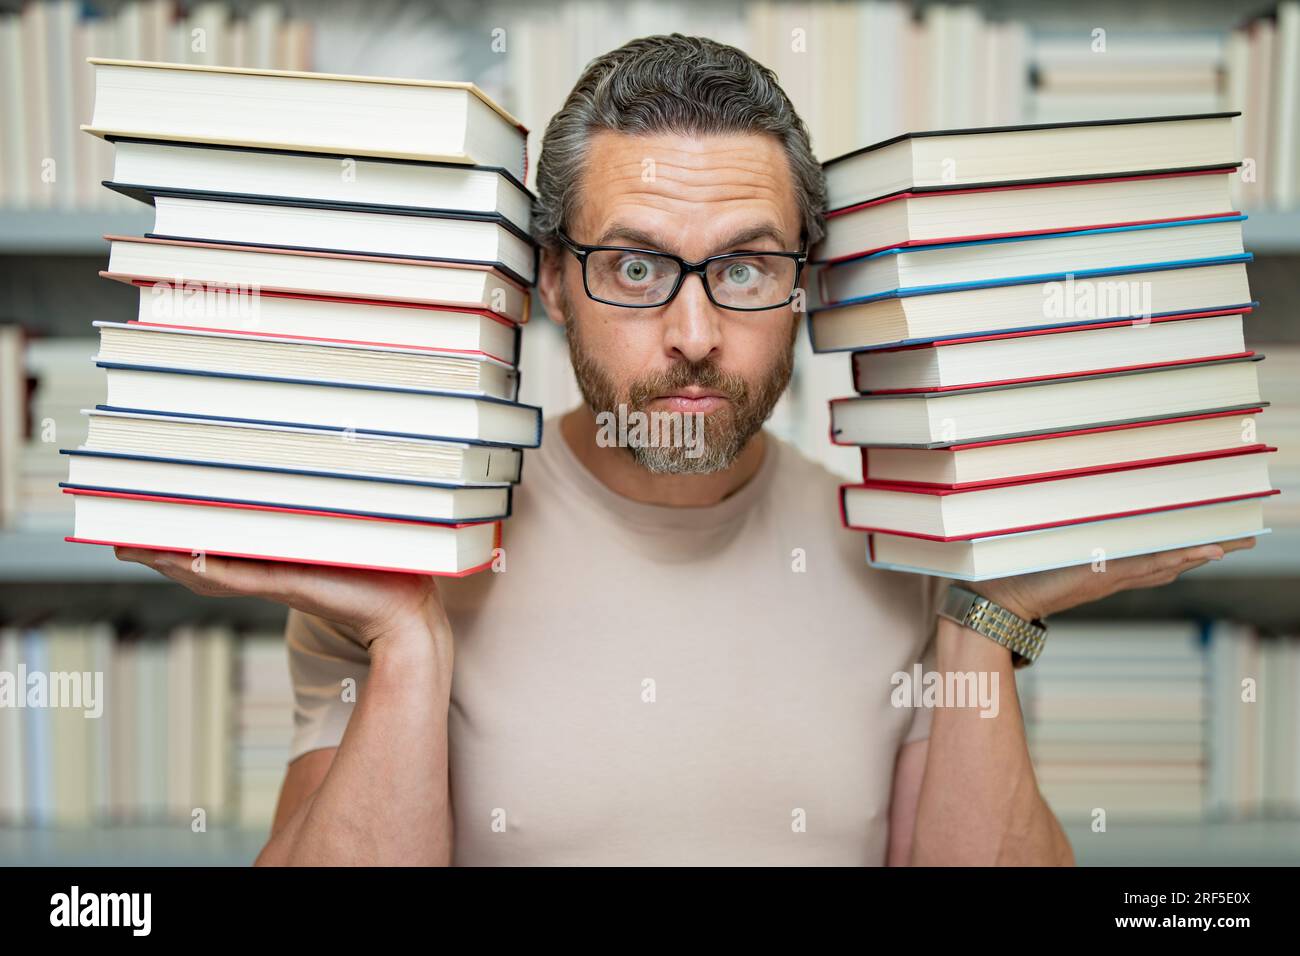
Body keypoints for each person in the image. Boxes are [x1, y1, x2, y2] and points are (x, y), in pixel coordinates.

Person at [115, 34, 1252, 866]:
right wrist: (410, 641)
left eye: (745, 267)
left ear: (806, 285)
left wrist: (980, 622)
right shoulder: (405, 553)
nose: (695, 334)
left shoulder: (903, 551)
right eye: (635, 265)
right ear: (551, 280)